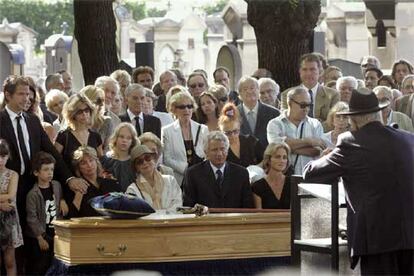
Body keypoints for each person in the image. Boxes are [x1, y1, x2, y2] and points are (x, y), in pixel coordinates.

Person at [303, 88, 414, 275]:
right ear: (379, 114)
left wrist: (328, 156)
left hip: (377, 239)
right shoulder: (408, 138)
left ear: (353, 120)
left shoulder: (350, 142)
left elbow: (311, 173)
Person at [182, 131, 254, 208]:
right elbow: (188, 207)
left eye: (222, 149)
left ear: (227, 151)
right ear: (206, 152)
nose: (219, 153)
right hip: (206, 219)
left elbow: (248, 207)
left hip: (234, 219)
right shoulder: (192, 174)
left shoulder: (241, 173)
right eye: (215, 150)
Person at [25, 152, 68, 275]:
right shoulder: (32, 194)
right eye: (46, 170)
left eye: (52, 169)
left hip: (55, 233)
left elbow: (60, 197)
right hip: (41, 236)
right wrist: (39, 237)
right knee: (40, 265)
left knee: (55, 264)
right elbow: (31, 218)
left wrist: (63, 200)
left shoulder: (56, 185)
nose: (50, 173)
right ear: (36, 172)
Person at [267, 87, 326, 175]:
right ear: (290, 103)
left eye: (309, 105)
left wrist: (288, 147)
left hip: (309, 176)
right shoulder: (275, 124)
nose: (306, 109)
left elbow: (318, 151)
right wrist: (309, 141)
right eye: (302, 105)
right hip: (283, 176)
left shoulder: (315, 124)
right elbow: (276, 149)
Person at [281, 53, 340, 130]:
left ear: (320, 71)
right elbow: (286, 121)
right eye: (305, 69)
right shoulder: (287, 94)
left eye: (312, 69)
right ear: (300, 71)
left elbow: (333, 121)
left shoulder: (333, 95)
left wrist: (313, 131)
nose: (308, 73)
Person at [162, 92, 208, 185]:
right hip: (179, 180)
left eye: (189, 106)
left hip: (201, 178)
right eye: (182, 107)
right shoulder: (167, 131)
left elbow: (207, 154)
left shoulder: (203, 129)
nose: (186, 110)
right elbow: (167, 158)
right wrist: (186, 169)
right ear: (174, 109)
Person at [67, 146, 121, 218]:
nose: (89, 165)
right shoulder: (75, 187)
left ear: (97, 162)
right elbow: (71, 217)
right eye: (83, 163)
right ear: (78, 167)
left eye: (91, 160)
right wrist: (78, 195)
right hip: (87, 227)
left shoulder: (111, 183)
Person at [55, 94, 103, 171]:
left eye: (87, 110)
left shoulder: (95, 136)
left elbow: (100, 160)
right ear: (72, 114)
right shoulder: (63, 136)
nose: (84, 114)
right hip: (71, 179)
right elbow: (55, 160)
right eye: (79, 112)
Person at [126, 145, 182, 212]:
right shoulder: (132, 190)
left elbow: (177, 205)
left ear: (154, 159)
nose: (145, 162)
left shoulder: (170, 180)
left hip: (171, 221)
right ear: (136, 168)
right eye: (139, 161)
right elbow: (137, 212)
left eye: (147, 158)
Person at [237, 76, 280, 148]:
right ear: (240, 94)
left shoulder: (274, 113)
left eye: (252, 88)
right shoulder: (233, 114)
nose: (250, 91)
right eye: (245, 89)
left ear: (258, 90)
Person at [0, 139, 22, 276]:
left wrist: (5, 199)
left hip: (9, 220)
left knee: (10, 260)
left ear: (8, 157)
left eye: (3, 157)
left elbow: (11, 194)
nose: (0, 160)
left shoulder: (13, 174)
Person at [218, 103, 263, 167]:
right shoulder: (219, 149)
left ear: (239, 127)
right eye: (228, 133)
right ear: (221, 132)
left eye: (235, 131)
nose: (232, 135)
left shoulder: (251, 141)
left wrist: (256, 168)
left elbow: (264, 159)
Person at [101, 123, 140, 192]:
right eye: (121, 137)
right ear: (116, 138)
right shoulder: (106, 160)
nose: (124, 140)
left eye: (128, 138)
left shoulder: (135, 161)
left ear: (132, 141)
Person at [252, 142, 291, 209]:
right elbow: (259, 215)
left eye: (284, 157)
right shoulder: (257, 186)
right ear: (268, 160)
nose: (282, 161)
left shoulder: (292, 184)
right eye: (277, 157)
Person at [81, 85, 113, 150]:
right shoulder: (76, 122)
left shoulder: (106, 122)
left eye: (103, 101)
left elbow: (107, 149)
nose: (102, 104)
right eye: (98, 101)